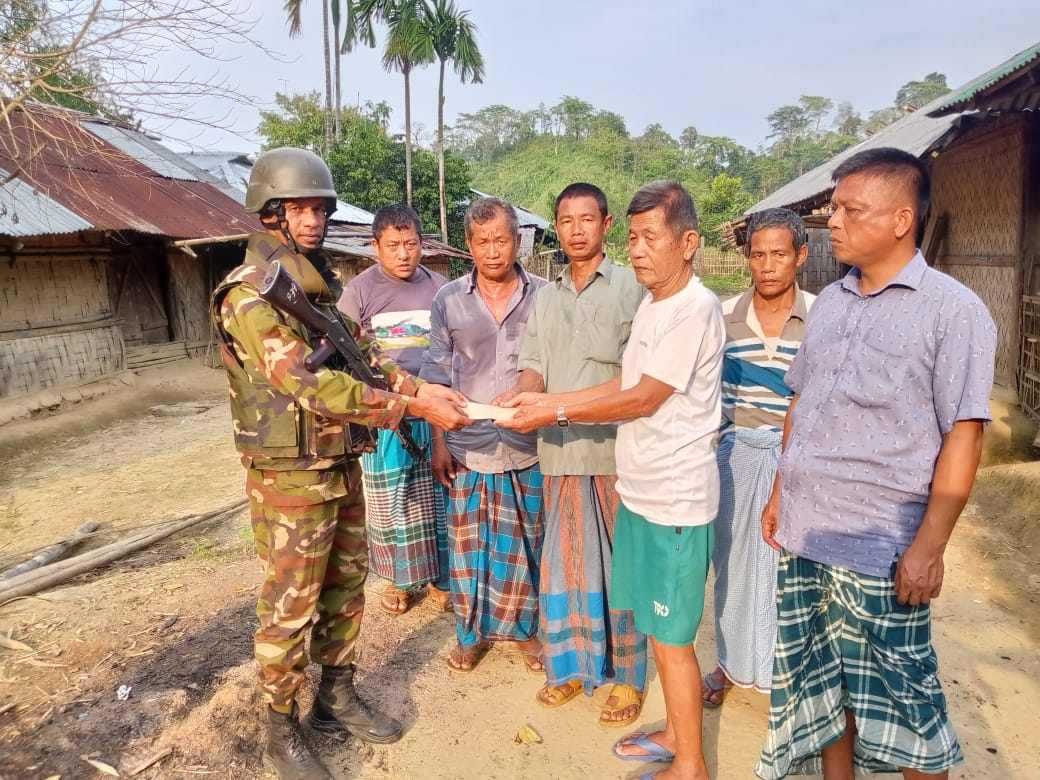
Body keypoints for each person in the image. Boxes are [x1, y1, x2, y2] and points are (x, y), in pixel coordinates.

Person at [210, 147, 470, 780]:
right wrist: (408, 412)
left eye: (320, 208)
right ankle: (279, 725)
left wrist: (418, 389)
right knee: (290, 603)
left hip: (335, 461)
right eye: (300, 207)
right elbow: (311, 385)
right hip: (288, 477)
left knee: (345, 587)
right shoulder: (249, 296)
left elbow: (361, 358)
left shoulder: (312, 288)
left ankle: (335, 693)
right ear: (270, 212)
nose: (314, 218)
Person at [756, 148, 997, 780]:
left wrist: (930, 546)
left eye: (848, 209)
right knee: (821, 687)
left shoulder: (953, 310)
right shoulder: (829, 301)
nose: (832, 221)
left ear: (900, 218)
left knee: (905, 706)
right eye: (833, 207)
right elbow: (801, 403)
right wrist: (783, 491)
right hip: (808, 532)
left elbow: (964, 435)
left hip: (881, 544)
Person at [500, 180, 724, 780]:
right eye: (637, 237)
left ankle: (692, 765)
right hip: (645, 490)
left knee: (672, 636)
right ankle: (677, 732)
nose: (641, 249)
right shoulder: (655, 305)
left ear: (689, 243)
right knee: (656, 622)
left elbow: (644, 398)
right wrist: (545, 403)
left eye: (652, 237)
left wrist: (557, 410)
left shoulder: (694, 309)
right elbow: (619, 384)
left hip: (675, 497)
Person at [495, 182, 648, 726]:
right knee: (567, 567)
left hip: (614, 453)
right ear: (555, 228)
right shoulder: (547, 295)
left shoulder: (633, 288)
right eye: (566, 220)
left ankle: (629, 678)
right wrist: (524, 391)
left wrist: (551, 404)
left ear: (607, 225)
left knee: (622, 570)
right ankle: (573, 668)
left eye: (587, 219)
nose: (576, 229)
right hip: (558, 453)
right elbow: (533, 360)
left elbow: (635, 381)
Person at [419, 196, 548, 673]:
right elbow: (435, 375)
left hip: (527, 444)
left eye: (501, 240)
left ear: (517, 241)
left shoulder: (544, 295)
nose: (493, 251)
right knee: (468, 548)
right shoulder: (448, 299)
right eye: (482, 242)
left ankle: (523, 632)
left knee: (526, 543)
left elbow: (550, 366)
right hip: (467, 445)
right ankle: (469, 633)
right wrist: (437, 441)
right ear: (469, 246)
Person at [701, 208, 815, 709]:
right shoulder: (723, 317)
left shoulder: (822, 316)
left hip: (796, 462)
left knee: (790, 570)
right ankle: (729, 664)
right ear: (746, 258)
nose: (768, 265)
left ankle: (785, 670)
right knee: (731, 564)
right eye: (758, 255)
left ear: (801, 257)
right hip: (735, 458)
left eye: (779, 254)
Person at [338, 204, 452, 617]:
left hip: (436, 410)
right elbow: (348, 353)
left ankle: (442, 578)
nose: (404, 254)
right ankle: (402, 580)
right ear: (375, 247)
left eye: (411, 244)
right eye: (393, 246)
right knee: (395, 502)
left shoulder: (442, 288)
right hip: (387, 416)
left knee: (440, 496)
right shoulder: (359, 292)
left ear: (423, 244)